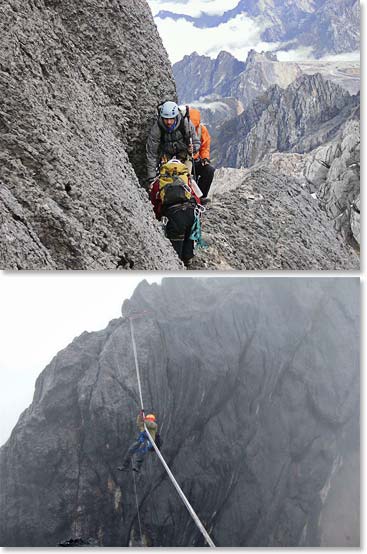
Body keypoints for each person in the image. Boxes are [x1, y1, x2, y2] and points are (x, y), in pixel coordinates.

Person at [146, 101, 201, 188]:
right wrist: (152, 179)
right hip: (166, 159)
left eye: (171, 118)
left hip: (184, 157)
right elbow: (152, 154)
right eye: (166, 119)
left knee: (186, 179)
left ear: (175, 116)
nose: (169, 122)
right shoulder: (157, 129)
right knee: (167, 182)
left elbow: (196, 142)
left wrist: (193, 148)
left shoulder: (185, 124)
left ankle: (193, 196)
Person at [187, 107, 215, 201]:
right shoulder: (182, 129)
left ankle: (201, 197)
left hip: (195, 160)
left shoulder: (202, 130)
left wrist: (205, 158)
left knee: (209, 170)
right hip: (184, 160)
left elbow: (205, 146)